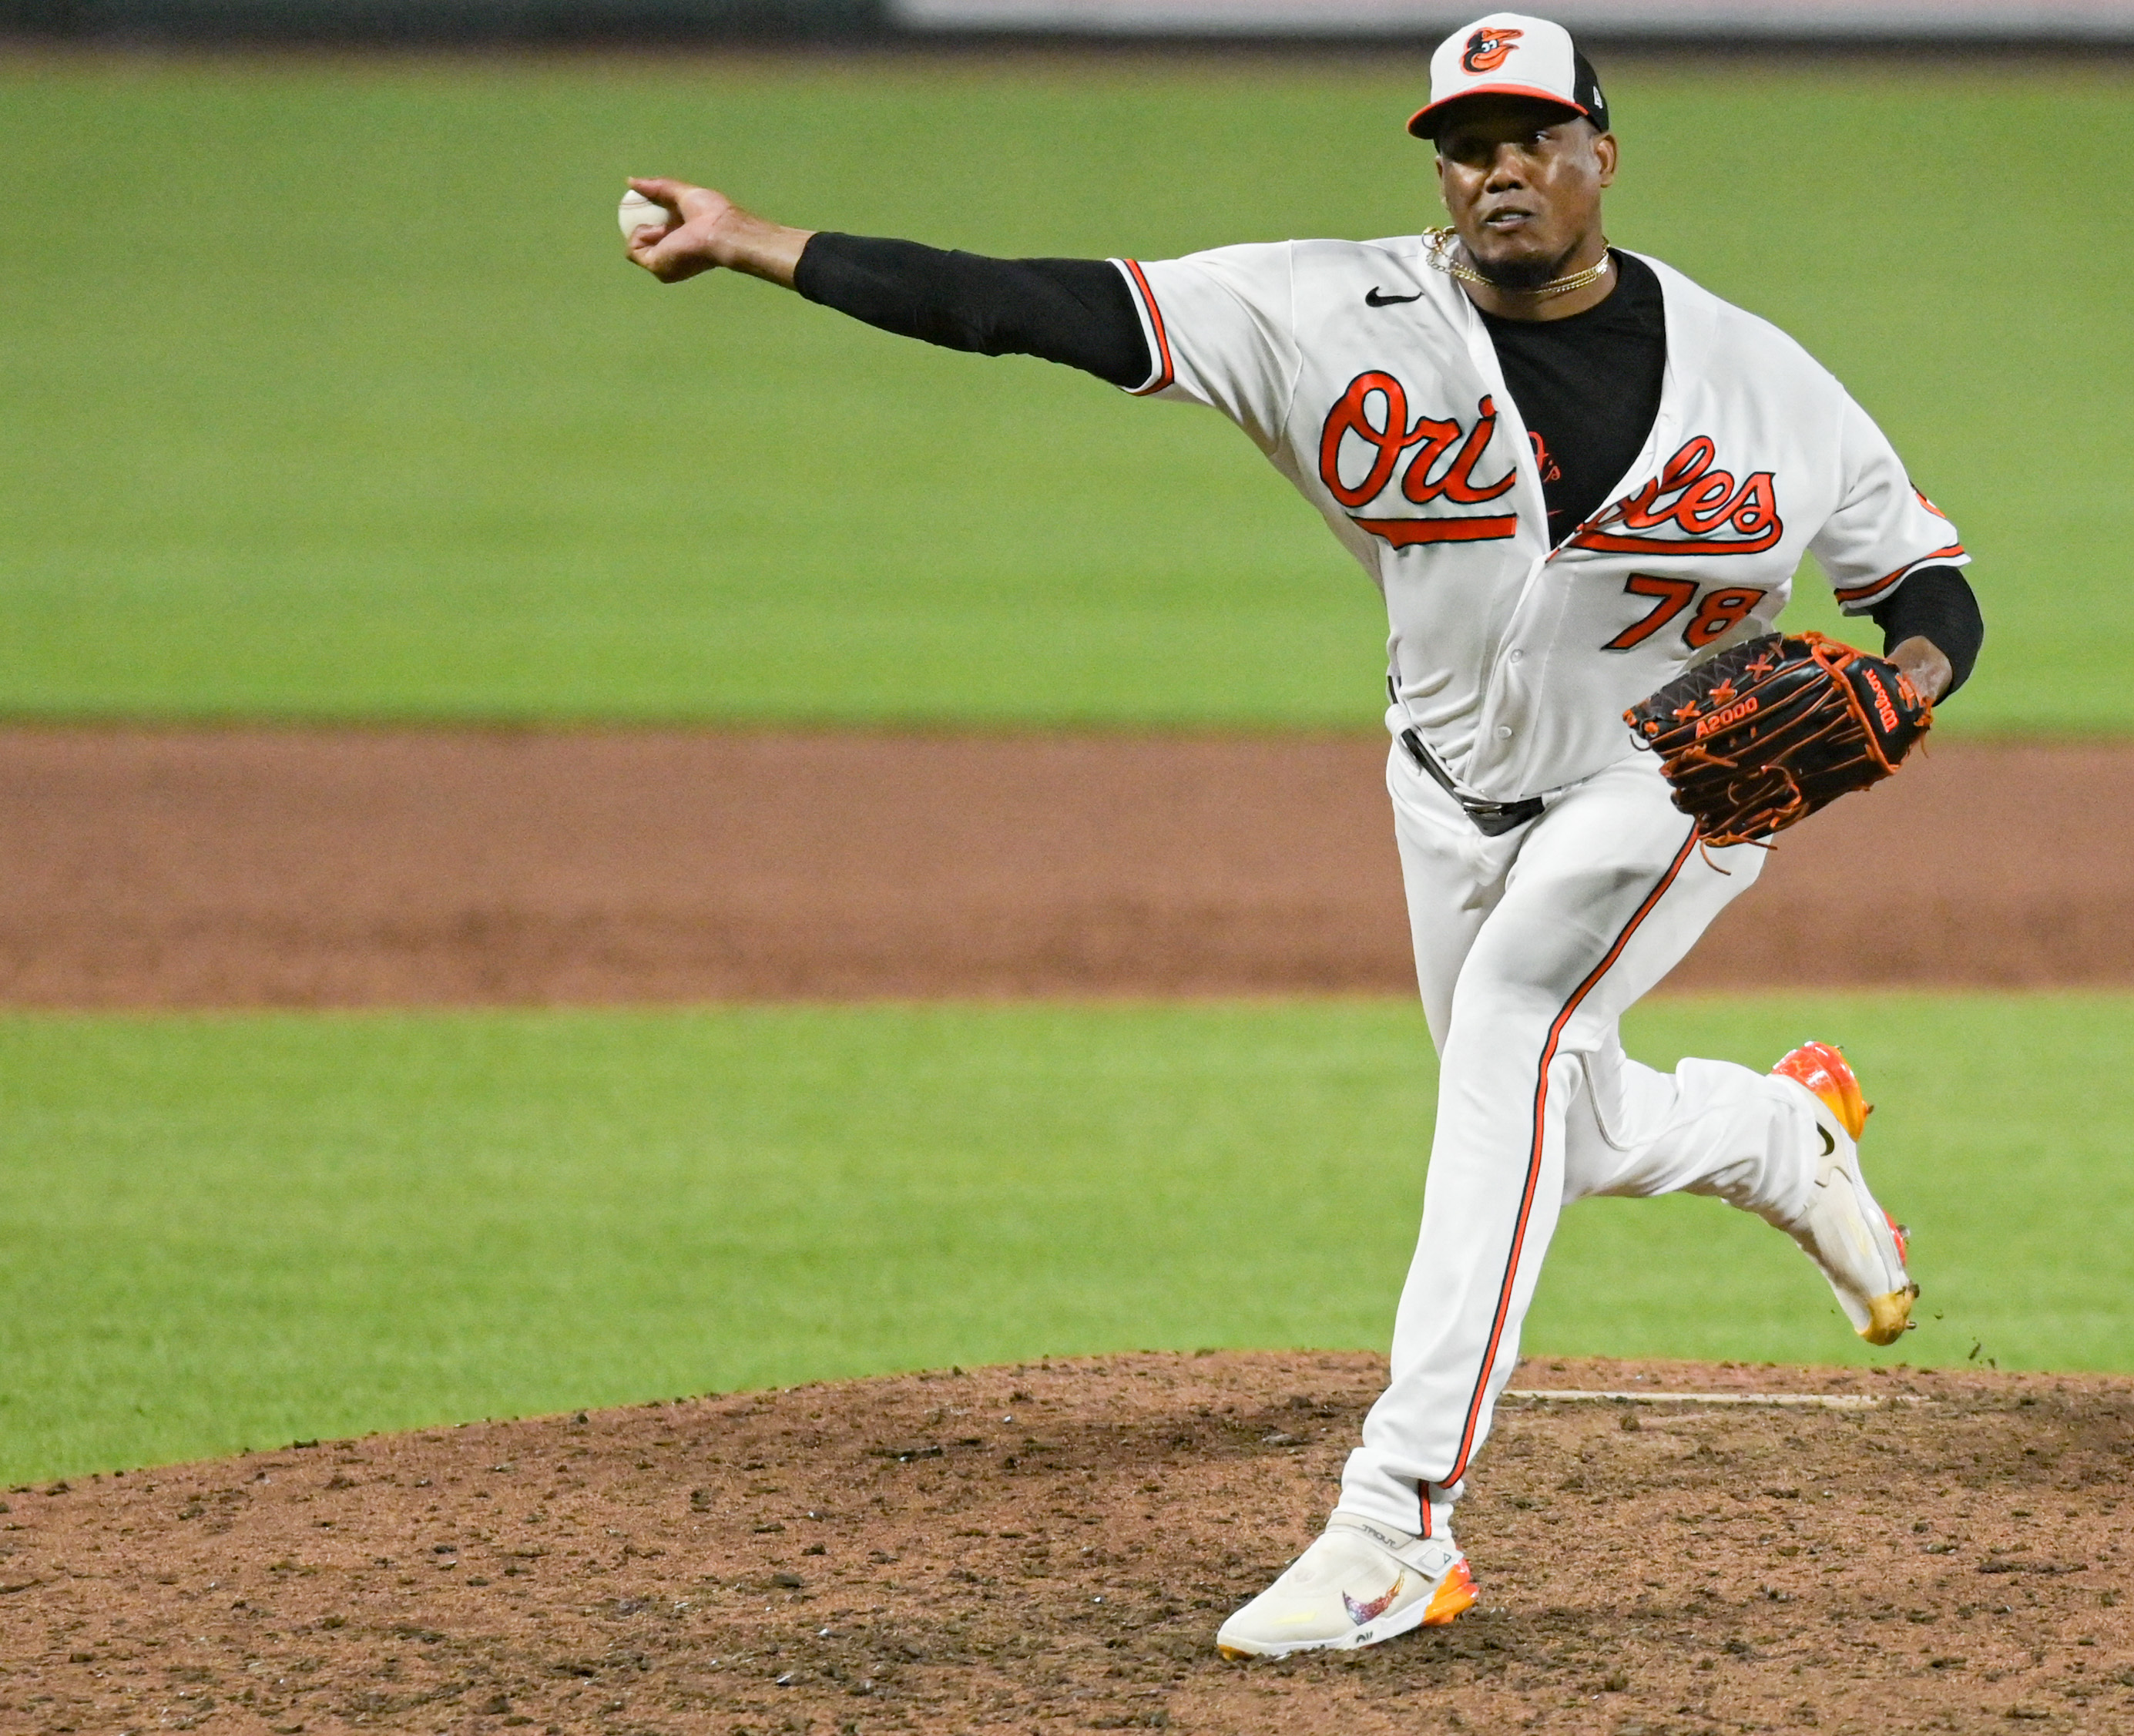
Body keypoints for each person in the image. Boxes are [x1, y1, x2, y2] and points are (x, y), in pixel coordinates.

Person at [625, 9, 1982, 1660]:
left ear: (1601, 153)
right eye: (1462, 144)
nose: (1497, 170)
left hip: (1668, 790)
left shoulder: (1763, 381)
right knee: (1564, 1114)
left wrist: (1906, 680)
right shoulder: (1324, 313)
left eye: (1531, 137)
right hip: (1442, 784)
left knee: (1510, 1031)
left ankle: (1396, 1524)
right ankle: (1782, 1137)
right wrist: (759, 242)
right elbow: (1024, 304)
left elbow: (1925, 580)